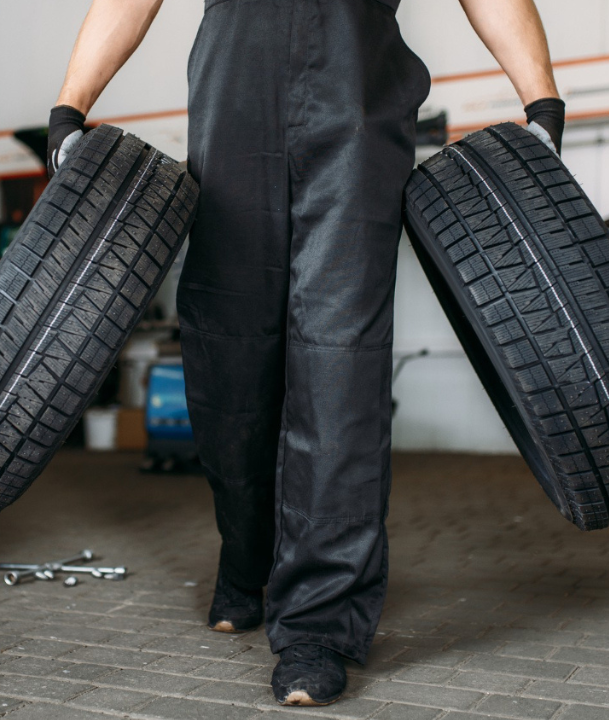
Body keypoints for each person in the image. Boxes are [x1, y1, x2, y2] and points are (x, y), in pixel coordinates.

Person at [48, 0, 564, 706]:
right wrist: (70, 107)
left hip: (357, 110)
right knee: (228, 359)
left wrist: (542, 101)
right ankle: (247, 553)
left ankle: (319, 622)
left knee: (339, 367)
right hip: (234, 108)